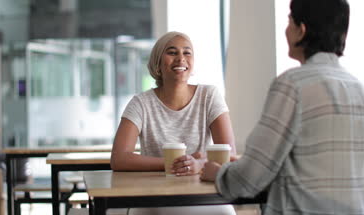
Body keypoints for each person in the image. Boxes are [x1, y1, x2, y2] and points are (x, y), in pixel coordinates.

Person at [201, 0, 364, 214]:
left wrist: (218, 173)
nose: (286, 30)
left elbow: (250, 176)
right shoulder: (358, 88)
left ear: (301, 30)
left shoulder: (292, 85)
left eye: (289, 21)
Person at [111, 31, 237, 215]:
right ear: (158, 63)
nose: (181, 59)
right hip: (153, 195)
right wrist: (171, 164)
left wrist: (199, 164)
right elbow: (119, 158)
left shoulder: (209, 96)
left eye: (187, 53)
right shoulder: (141, 103)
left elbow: (230, 153)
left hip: (202, 194)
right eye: (172, 52)